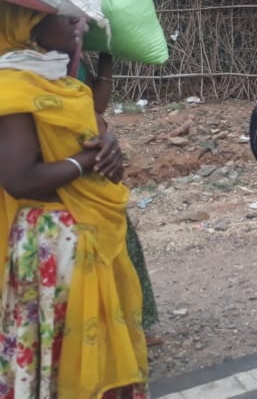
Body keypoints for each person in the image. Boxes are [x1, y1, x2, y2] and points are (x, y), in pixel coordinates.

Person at [0, 3, 149, 398]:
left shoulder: (63, 84)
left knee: (96, 350)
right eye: (66, 16)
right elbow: (18, 178)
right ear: (28, 25)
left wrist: (109, 147)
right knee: (59, 355)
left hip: (89, 232)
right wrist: (86, 161)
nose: (78, 22)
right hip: (52, 243)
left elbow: (95, 134)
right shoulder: (12, 87)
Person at [80, 52, 163, 346]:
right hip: (76, 172)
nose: (77, 27)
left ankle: (130, 323)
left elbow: (97, 105)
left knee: (122, 244)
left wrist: (106, 55)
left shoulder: (72, 60)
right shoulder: (30, 69)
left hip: (98, 168)